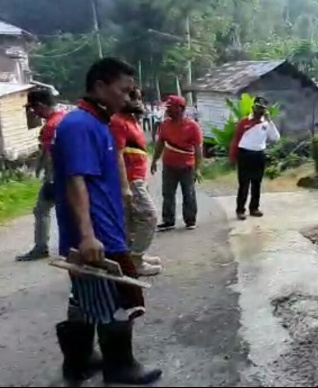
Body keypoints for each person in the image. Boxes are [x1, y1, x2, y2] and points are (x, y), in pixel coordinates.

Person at [52, 57, 162, 385]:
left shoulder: (97, 123)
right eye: (124, 90)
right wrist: (87, 236)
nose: (129, 98)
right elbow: (76, 180)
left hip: (104, 229)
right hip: (96, 235)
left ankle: (80, 361)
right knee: (116, 299)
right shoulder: (79, 125)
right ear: (100, 87)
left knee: (86, 300)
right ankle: (120, 367)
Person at [109, 87, 163, 276]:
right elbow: (117, 154)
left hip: (138, 178)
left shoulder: (131, 120)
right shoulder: (118, 122)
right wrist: (125, 186)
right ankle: (136, 259)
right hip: (131, 180)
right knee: (149, 217)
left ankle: (134, 257)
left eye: (139, 98)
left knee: (132, 222)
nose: (138, 102)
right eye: (133, 98)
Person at [16, 89, 65, 261]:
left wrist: (49, 178)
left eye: (33, 108)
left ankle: (42, 247)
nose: (33, 112)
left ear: (41, 106)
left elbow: (49, 155)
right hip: (69, 175)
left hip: (57, 177)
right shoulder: (64, 118)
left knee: (42, 210)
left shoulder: (50, 126)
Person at [151, 95, 203, 231]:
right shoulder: (165, 124)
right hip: (169, 166)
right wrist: (154, 160)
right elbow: (160, 143)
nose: (168, 110)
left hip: (187, 167)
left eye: (170, 107)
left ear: (180, 108)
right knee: (167, 193)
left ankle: (190, 220)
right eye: (167, 108)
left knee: (189, 193)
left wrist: (197, 169)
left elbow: (198, 149)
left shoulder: (193, 126)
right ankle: (168, 220)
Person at [228, 97, 280, 220]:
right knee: (244, 184)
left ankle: (254, 208)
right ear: (253, 108)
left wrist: (270, 121)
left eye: (262, 108)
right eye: (257, 107)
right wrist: (232, 157)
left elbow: (276, 138)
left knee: (256, 183)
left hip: (259, 155)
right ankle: (240, 210)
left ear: (265, 110)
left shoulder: (266, 124)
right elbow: (236, 140)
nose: (259, 110)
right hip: (245, 155)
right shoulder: (244, 122)